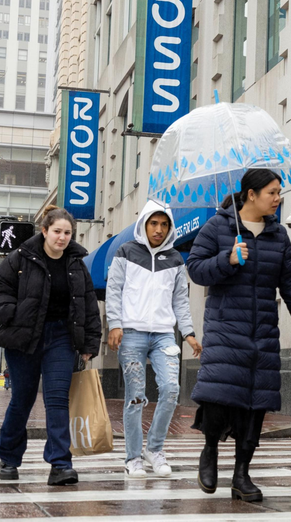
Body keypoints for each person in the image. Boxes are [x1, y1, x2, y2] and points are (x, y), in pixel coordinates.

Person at [186, 168, 291, 503]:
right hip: (226, 327)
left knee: (257, 403)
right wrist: (226, 259)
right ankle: (210, 451)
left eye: (279, 193)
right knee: (219, 394)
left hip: (262, 332)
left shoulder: (278, 235)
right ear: (251, 194)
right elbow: (196, 269)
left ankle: (241, 474)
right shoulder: (218, 227)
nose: (278, 198)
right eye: (272, 192)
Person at [0, 205, 102, 486]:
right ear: (45, 231)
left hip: (61, 338)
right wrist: (11, 315)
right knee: (22, 399)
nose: (62, 237)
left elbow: (88, 305)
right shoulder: (21, 258)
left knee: (58, 399)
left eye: (68, 233)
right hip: (24, 339)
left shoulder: (76, 264)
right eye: (57, 231)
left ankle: (60, 464)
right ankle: (9, 457)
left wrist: (89, 342)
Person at [106, 200, 203, 478]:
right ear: (144, 224)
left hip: (163, 334)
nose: (159, 229)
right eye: (154, 223)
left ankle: (155, 449)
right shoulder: (126, 252)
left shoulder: (175, 259)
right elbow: (113, 291)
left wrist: (189, 333)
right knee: (135, 397)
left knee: (171, 389)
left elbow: (180, 301)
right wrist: (115, 324)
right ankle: (133, 457)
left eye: (164, 225)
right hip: (132, 332)